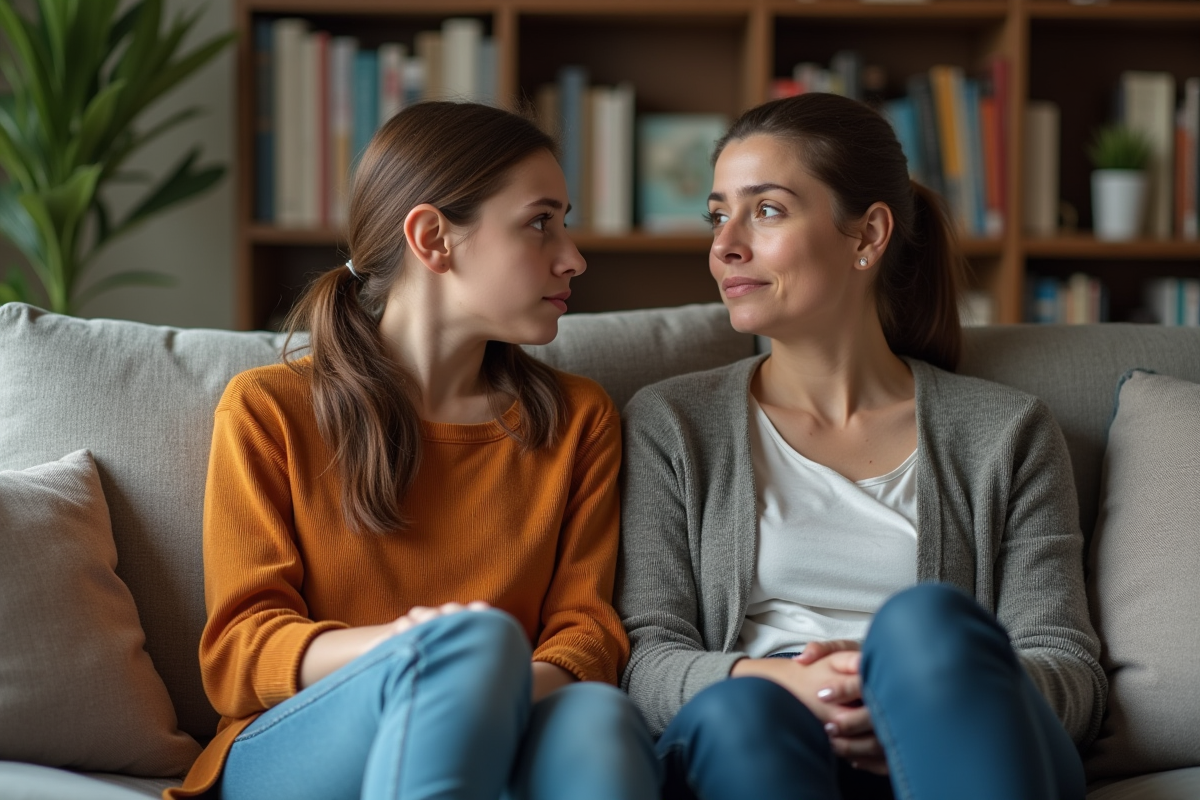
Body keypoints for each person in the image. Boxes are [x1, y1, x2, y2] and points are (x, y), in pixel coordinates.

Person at [616, 92, 1106, 800]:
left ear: (868, 235)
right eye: (718, 214)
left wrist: (913, 692)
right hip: (760, 738)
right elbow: (646, 659)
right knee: (741, 713)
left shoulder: (1008, 432)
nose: (725, 245)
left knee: (924, 624)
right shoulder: (672, 423)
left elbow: (1070, 674)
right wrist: (781, 678)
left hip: (957, 740)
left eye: (768, 210)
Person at [169, 102, 657, 800]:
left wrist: (477, 692)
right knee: (477, 645)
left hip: (515, 718)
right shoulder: (268, 410)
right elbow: (241, 650)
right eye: (540, 222)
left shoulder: (579, 419)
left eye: (565, 222)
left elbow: (587, 635)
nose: (572, 256)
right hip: (293, 749)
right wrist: (429, 655)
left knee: (598, 716)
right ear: (434, 238)